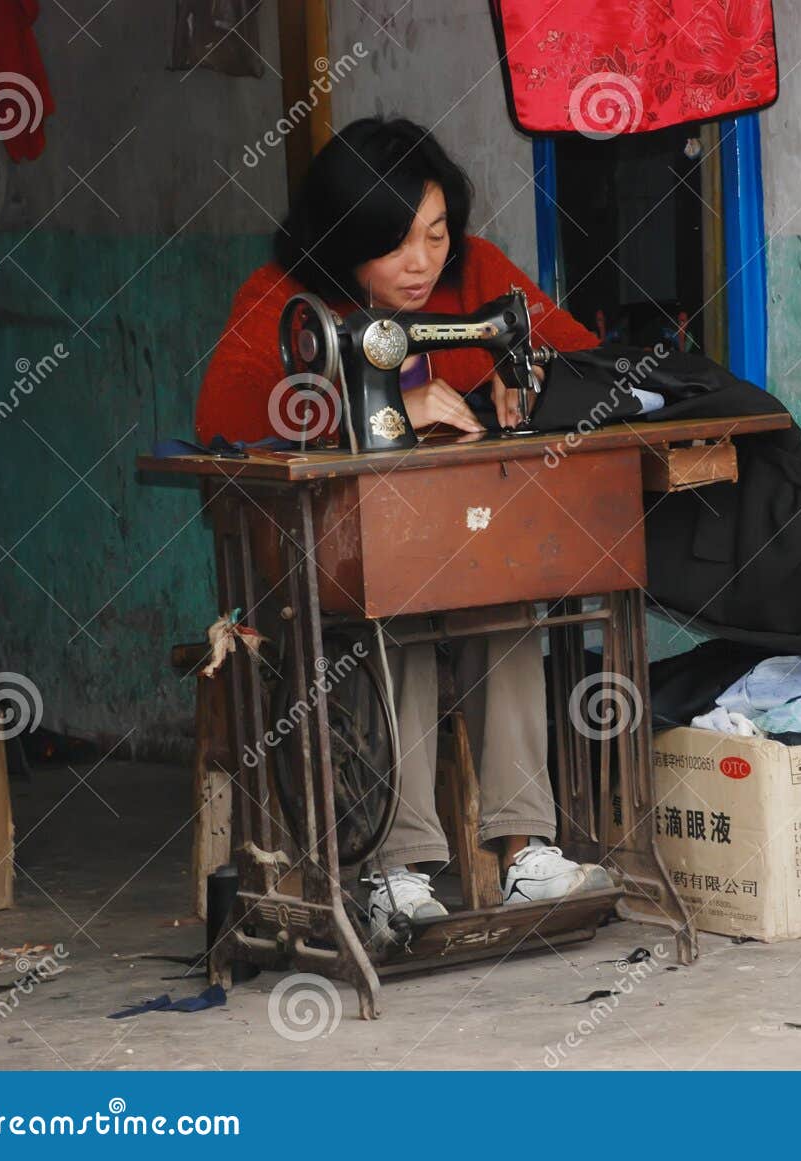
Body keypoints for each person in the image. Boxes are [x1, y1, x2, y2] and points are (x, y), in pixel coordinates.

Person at [196, 115, 614, 931]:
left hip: (457, 547)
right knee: (394, 618)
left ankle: (528, 851)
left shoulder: (475, 279)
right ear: (345, 237)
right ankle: (399, 870)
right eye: (395, 243)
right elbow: (223, 414)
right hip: (332, 568)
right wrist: (369, 406)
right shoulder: (284, 302)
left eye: (435, 235)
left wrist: (527, 386)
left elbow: (574, 353)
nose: (422, 263)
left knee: (507, 600)